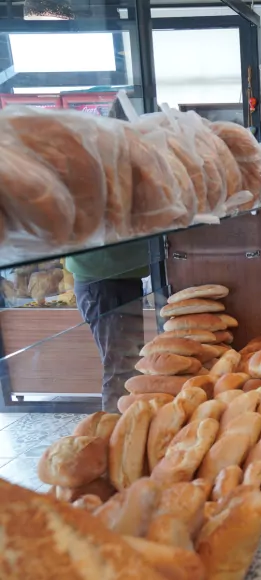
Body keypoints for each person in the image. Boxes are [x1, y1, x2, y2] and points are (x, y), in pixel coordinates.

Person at [68, 97, 150, 413]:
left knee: (127, 364)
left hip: (118, 280)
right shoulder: (98, 170)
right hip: (103, 282)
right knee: (121, 368)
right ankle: (115, 442)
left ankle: (124, 429)